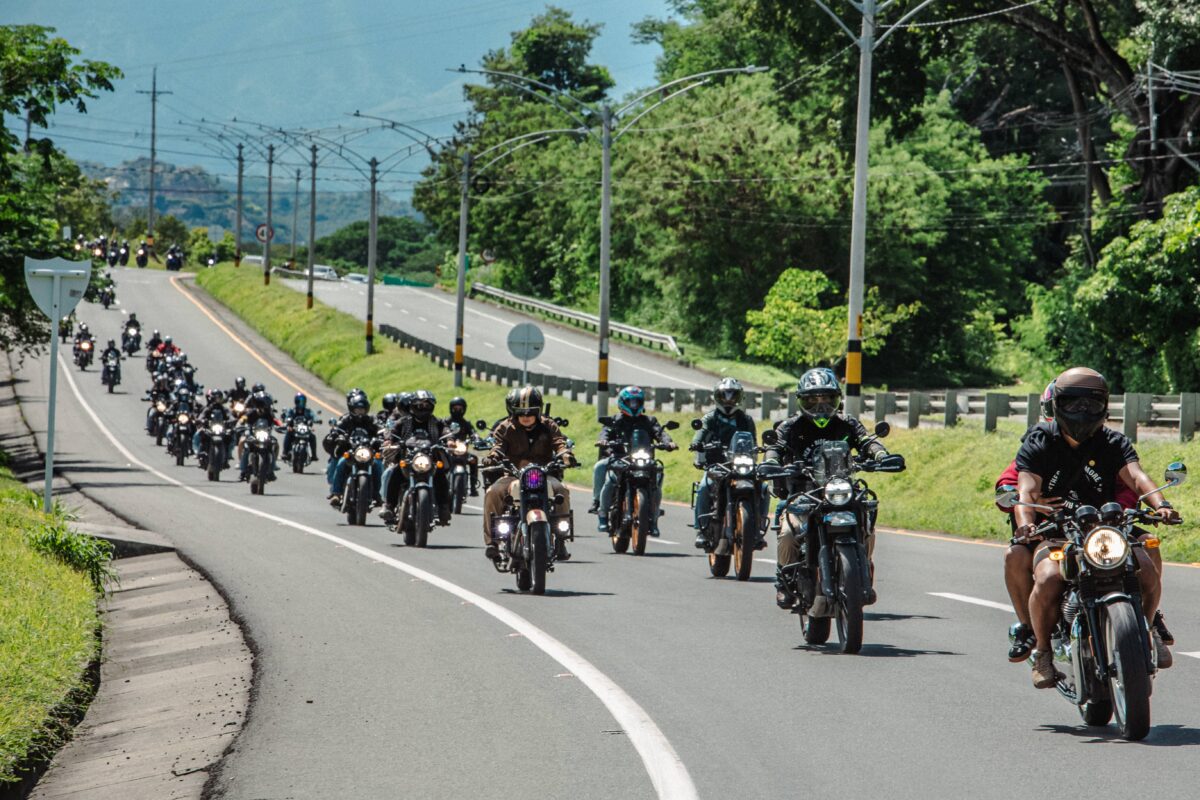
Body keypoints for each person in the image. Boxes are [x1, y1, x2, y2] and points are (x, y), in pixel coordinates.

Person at [1017, 367, 1179, 688]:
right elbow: (1026, 489)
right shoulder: (1039, 441)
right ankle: (1044, 652)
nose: (1082, 411)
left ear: (1105, 406)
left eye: (1091, 403)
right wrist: (1025, 523)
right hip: (1058, 530)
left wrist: (1161, 505)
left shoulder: (1113, 442)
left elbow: (1137, 476)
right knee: (1049, 577)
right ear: (1055, 405)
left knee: (1146, 570)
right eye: (1072, 403)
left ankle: (1144, 632)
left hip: (1108, 529)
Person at [765, 368, 900, 609]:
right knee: (786, 533)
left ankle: (863, 567)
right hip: (803, 494)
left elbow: (867, 441)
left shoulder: (847, 423)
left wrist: (881, 455)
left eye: (827, 399)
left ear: (837, 400)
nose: (821, 407)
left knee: (867, 524)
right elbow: (776, 447)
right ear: (802, 401)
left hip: (841, 491)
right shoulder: (790, 427)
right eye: (813, 400)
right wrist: (772, 461)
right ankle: (783, 579)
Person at [480, 386, 577, 562]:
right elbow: (498, 446)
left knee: (561, 490)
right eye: (521, 412)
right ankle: (492, 542)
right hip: (513, 475)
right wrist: (493, 457)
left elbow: (559, 442)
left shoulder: (549, 425)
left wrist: (566, 455)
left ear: (538, 411)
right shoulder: (505, 427)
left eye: (530, 412)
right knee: (492, 493)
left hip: (544, 474)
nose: (526, 416)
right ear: (513, 412)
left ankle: (561, 539)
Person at [590, 386, 677, 534]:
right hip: (619, 458)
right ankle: (601, 511)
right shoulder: (615, 420)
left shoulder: (649, 420)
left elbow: (660, 432)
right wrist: (603, 441)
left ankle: (654, 518)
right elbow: (605, 432)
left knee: (656, 478)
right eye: (630, 402)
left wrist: (668, 442)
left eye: (637, 402)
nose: (634, 405)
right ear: (623, 402)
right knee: (604, 471)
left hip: (643, 459)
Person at [690, 378, 758, 549]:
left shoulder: (746, 420)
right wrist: (696, 443)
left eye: (733, 395)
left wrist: (759, 450)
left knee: (762, 488)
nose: (729, 399)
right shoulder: (710, 418)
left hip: (741, 465)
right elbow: (700, 433)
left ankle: (755, 530)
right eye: (725, 395)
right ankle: (702, 529)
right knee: (705, 487)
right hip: (716, 465)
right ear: (717, 397)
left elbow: (754, 442)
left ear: (739, 397)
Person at [381, 390, 449, 525]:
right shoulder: (405, 421)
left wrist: (451, 440)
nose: (423, 408)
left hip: (429, 459)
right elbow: (393, 432)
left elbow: (446, 431)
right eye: (419, 405)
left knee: (441, 476)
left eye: (427, 405)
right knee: (395, 473)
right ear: (412, 406)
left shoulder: (435, 422)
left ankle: (443, 508)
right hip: (408, 458)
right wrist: (389, 441)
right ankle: (388, 506)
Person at [325, 389, 383, 507]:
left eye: (362, 409)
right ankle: (336, 493)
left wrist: (382, 437)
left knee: (377, 465)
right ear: (352, 409)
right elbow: (337, 430)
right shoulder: (346, 419)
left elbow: (381, 429)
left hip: (368, 451)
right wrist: (337, 436)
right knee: (341, 463)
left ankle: (377, 494)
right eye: (357, 409)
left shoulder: (371, 420)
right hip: (351, 451)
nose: (360, 412)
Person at [237, 388, 280, 481]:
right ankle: (243, 470)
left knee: (275, 445)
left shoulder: (269, 414)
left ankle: (272, 469)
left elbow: (275, 421)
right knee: (244, 444)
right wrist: (240, 423)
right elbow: (243, 419)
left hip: (265, 436)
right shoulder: (252, 412)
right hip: (252, 436)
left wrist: (281, 426)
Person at [445, 396, 479, 496]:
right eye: (455, 408)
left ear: (464, 409)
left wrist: (476, 438)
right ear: (451, 408)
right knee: (438, 462)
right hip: (448, 450)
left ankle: (473, 487)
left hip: (462, 450)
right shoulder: (446, 422)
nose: (458, 410)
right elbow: (440, 431)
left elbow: (473, 432)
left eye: (460, 408)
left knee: (474, 459)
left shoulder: (466, 423)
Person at [193, 389, 232, 468]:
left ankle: (227, 457)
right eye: (216, 398)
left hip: (221, 429)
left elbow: (230, 416)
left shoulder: (223, 409)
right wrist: (201, 420)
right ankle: (200, 455)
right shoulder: (209, 408)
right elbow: (202, 415)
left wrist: (231, 421)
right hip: (210, 429)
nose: (217, 400)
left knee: (230, 437)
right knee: (201, 435)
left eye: (219, 398)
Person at [281, 392, 317, 464]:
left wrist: (317, 420)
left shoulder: (308, 411)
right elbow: (287, 417)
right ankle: (285, 452)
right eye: (299, 401)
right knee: (288, 434)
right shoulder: (292, 410)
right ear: (296, 401)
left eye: (303, 401)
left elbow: (314, 416)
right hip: (294, 429)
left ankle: (313, 454)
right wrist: (288, 422)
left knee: (313, 437)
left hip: (305, 430)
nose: (301, 403)